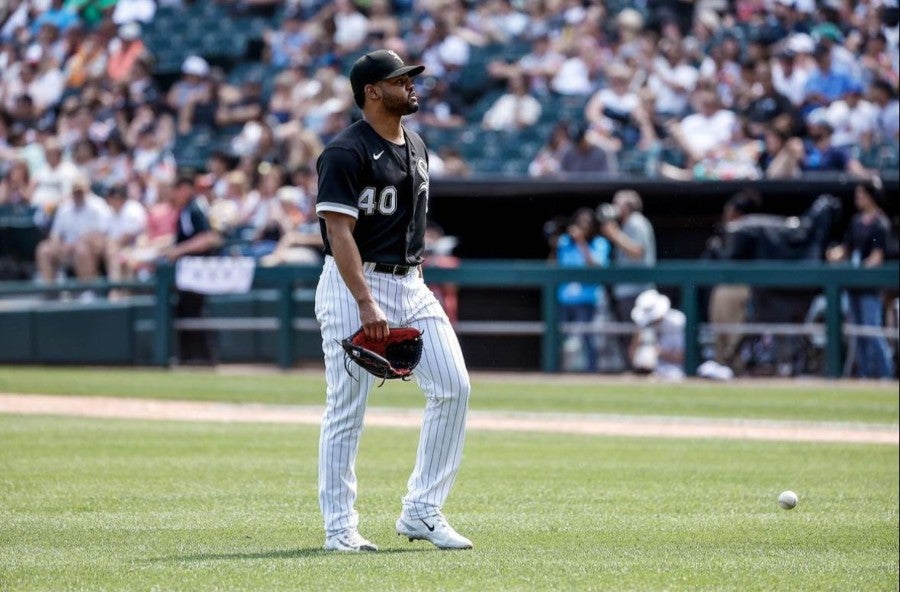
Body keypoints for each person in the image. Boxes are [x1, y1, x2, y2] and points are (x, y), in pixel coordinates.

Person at [313, 49, 473, 553]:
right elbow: (339, 232)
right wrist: (365, 302)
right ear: (372, 91)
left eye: (410, 78)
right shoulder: (344, 152)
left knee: (454, 387)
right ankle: (340, 527)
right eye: (400, 79)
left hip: (411, 282)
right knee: (347, 407)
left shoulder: (418, 145)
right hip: (353, 284)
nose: (411, 85)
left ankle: (422, 511)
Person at [826, 180, 896, 379]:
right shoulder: (856, 222)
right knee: (858, 333)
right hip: (853, 284)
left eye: (862, 194)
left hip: (870, 286)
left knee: (872, 331)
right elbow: (847, 248)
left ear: (871, 196)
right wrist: (835, 254)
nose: (858, 198)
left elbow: (877, 256)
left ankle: (885, 374)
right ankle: (866, 374)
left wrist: (861, 270)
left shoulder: (879, 223)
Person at [159, 174, 222, 365]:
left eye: (176, 189)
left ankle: (202, 358)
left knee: (195, 312)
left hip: (199, 272)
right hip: (188, 274)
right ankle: (189, 357)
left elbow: (208, 238)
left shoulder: (195, 208)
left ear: (185, 188)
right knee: (184, 311)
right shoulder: (186, 210)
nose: (173, 194)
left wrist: (177, 251)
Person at [556, 207, 611, 372]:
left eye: (587, 223)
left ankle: (591, 372)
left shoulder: (600, 243)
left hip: (587, 298)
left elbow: (595, 266)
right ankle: (558, 371)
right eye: (580, 223)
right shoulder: (565, 241)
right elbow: (557, 265)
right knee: (560, 336)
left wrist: (581, 242)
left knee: (588, 338)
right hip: (565, 297)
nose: (583, 226)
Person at [629, 289, 686, 380]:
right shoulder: (644, 325)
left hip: (675, 372)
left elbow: (682, 357)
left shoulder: (677, 322)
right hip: (648, 373)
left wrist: (660, 352)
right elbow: (632, 357)